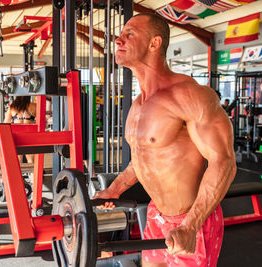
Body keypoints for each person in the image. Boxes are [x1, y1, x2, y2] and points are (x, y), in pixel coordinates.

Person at [93, 13, 236, 267]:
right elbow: (142, 159)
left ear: (154, 43)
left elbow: (223, 161)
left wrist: (191, 225)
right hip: (156, 216)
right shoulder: (138, 105)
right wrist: (114, 190)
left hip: (193, 219)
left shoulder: (189, 95)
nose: (118, 40)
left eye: (129, 34)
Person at [3, 96, 36, 163]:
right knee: (31, 160)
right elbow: (42, 121)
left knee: (17, 160)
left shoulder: (12, 107)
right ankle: (33, 173)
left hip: (17, 136)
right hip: (30, 136)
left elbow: (5, 123)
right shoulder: (34, 106)